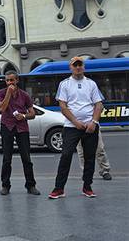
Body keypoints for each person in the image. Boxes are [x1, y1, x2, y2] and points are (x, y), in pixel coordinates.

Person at [49, 57, 103, 199]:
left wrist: (94, 122)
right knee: (66, 155)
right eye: (75, 65)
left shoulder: (91, 84)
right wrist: (75, 121)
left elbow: (98, 105)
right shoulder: (65, 84)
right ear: (71, 67)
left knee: (89, 158)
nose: (78, 67)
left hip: (90, 126)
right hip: (71, 127)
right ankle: (59, 189)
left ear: (83, 67)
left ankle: (87, 187)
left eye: (80, 65)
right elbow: (63, 106)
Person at [0, 70, 40, 196]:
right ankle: (5, 185)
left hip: (22, 127)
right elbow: (2, 108)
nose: (10, 82)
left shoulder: (24, 95)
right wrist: (8, 94)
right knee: (7, 158)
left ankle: (31, 185)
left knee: (26, 158)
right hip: (7, 126)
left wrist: (24, 116)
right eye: (7, 80)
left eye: (12, 80)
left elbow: (32, 114)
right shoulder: (1, 93)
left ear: (17, 80)